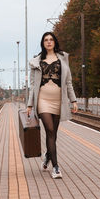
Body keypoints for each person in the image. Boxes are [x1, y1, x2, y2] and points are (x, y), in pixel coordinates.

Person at [27, 32, 78, 179]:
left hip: (58, 101)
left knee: (53, 134)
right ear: (43, 43)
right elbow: (32, 85)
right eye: (46, 40)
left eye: (51, 39)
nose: (49, 42)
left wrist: (73, 100)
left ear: (55, 42)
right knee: (49, 130)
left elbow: (68, 82)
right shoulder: (36, 61)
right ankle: (56, 167)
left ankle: (48, 156)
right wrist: (30, 104)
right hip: (42, 100)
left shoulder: (63, 59)